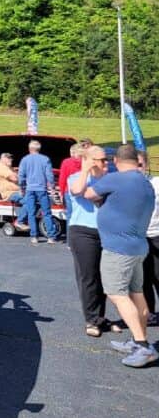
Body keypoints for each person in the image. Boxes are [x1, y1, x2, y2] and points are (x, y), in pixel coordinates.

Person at [76, 143, 157, 368]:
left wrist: (90, 171)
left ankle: (142, 345)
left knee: (116, 293)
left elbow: (87, 193)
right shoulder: (145, 182)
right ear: (137, 161)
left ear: (116, 161)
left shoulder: (117, 179)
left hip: (118, 248)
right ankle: (138, 339)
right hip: (138, 246)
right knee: (136, 293)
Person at [66, 145, 118, 337]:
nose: (106, 163)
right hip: (83, 232)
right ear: (89, 160)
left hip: (106, 232)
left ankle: (100, 318)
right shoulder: (76, 178)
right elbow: (77, 190)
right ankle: (91, 319)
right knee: (88, 277)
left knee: (104, 277)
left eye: (107, 159)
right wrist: (85, 170)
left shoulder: (109, 179)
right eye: (102, 160)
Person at [18, 140, 59, 244]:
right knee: (47, 213)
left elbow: (21, 175)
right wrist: (52, 187)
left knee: (31, 213)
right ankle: (51, 237)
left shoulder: (25, 159)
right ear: (39, 149)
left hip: (30, 189)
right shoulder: (45, 159)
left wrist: (21, 188)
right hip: (42, 189)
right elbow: (49, 175)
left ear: (29, 149)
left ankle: (34, 236)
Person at [140, 159, 159, 327]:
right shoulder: (129, 186)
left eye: (141, 164)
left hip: (156, 234)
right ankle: (150, 313)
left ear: (146, 165)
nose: (138, 168)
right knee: (143, 279)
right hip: (138, 237)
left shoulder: (156, 183)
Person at [59, 139, 92, 224]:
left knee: (70, 214)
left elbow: (62, 179)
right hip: (83, 189)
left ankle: (70, 231)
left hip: (68, 191)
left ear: (72, 152)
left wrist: (61, 193)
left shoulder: (66, 162)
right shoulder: (86, 162)